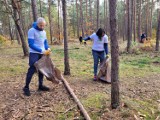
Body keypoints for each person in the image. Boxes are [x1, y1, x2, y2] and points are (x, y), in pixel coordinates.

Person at [23, 17, 51, 96]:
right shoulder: (32, 31)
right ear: (37, 24)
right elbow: (31, 44)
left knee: (41, 69)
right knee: (32, 69)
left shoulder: (44, 32)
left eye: (43, 25)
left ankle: (40, 86)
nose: (42, 27)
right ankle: (26, 87)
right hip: (34, 53)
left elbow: (45, 42)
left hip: (42, 53)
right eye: (40, 25)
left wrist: (47, 48)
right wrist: (41, 50)